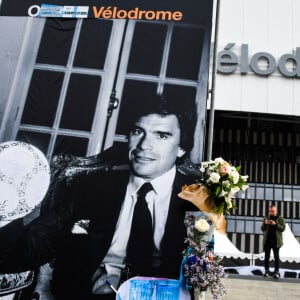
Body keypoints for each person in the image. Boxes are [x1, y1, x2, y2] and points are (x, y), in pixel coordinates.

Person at [0, 93, 198, 299]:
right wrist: (5, 211)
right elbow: (30, 249)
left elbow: (207, 273)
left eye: (161, 136)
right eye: (138, 131)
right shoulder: (88, 187)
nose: (144, 145)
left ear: (182, 147)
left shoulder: (198, 200)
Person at [261, 204, 285, 279]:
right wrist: (265, 223)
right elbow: (262, 229)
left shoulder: (280, 218)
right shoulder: (266, 218)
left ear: (276, 210)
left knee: (276, 257)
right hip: (267, 240)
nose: (271, 212)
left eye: (273, 211)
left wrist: (276, 224)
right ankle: (266, 271)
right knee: (266, 257)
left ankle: (276, 272)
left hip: (276, 241)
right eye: (270, 211)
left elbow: (283, 228)